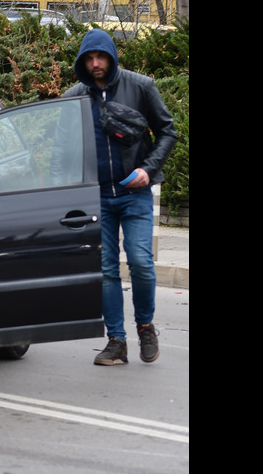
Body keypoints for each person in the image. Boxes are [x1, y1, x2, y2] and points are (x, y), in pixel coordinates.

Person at [63, 28, 177, 366]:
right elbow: (62, 149)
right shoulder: (74, 96)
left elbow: (167, 131)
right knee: (106, 270)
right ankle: (116, 341)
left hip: (135, 193)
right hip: (96, 198)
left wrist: (149, 169)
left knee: (141, 261)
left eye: (101, 57)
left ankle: (145, 325)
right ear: (83, 61)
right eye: (90, 58)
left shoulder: (140, 87)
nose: (96, 64)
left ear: (112, 57)